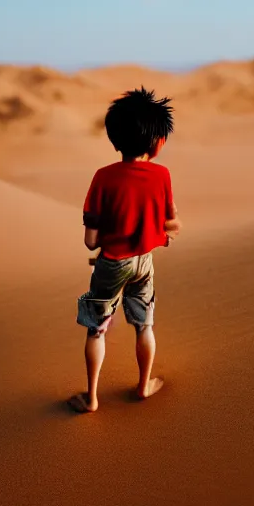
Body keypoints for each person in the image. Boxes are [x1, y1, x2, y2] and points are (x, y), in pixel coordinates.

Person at [68, 87, 181, 413]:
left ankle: (91, 398)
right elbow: (171, 222)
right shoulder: (162, 176)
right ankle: (143, 385)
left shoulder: (103, 178)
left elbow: (90, 241)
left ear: (114, 139)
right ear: (158, 143)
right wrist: (158, 231)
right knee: (144, 325)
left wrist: (113, 233)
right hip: (143, 263)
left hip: (110, 265)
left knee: (96, 329)